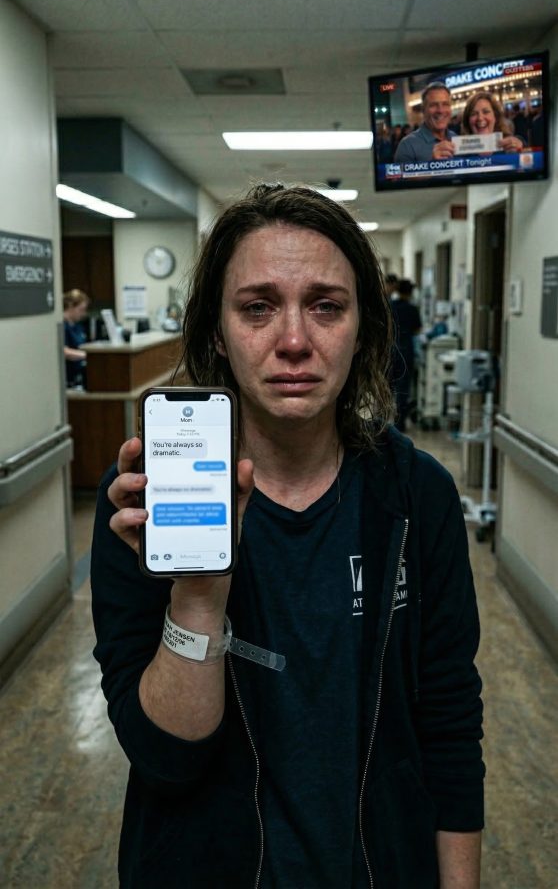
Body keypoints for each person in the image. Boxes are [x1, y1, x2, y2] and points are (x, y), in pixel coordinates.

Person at [91, 183, 484, 889]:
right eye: (257, 307)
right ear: (218, 331)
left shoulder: (414, 496)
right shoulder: (144, 505)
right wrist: (198, 598)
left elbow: (450, 724)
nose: (295, 341)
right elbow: (166, 759)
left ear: (363, 328)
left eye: (326, 306)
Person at [394, 83, 457, 164]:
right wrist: (432, 165)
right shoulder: (407, 146)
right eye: (433, 105)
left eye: (445, 104)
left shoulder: (455, 137)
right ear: (423, 110)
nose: (440, 110)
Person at [389, 279, 422, 433]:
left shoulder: (390, 306)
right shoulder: (412, 309)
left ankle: (382, 423)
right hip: (405, 350)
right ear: (410, 293)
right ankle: (399, 424)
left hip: (390, 349)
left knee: (386, 386)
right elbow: (417, 330)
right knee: (402, 388)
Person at [63, 288, 89, 387]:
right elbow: (64, 352)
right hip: (68, 378)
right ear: (70, 306)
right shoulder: (63, 326)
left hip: (79, 375)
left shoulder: (77, 326)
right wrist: (86, 355)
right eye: (81, 310)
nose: (83, 314)